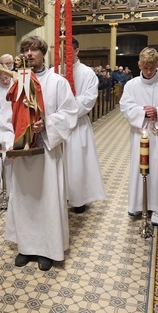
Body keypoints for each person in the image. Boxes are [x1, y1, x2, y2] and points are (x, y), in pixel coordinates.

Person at [0, 36, 78, 271]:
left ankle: (48, 250)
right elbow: (5, 117)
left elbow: (69, 113)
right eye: (25, 50)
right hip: (23, 152)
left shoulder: (57, 82)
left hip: (46, 150)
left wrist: (46, 123)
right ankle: (26, 247)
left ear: (43, 53)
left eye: (34, 49)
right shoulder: (16, 82)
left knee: (47, 199)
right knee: (24, 199)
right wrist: (12, 141)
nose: (29, 53)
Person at [120, 47, 158, 225]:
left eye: (152, 68)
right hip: (141, 134)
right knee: (141, 168)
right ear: (139, 64)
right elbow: (125, 107)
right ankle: (138, 204)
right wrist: (142, 113)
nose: (148, 71)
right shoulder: (131, 85)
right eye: (145, 67)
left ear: (157, 65)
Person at [64, 37, 106, 213]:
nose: (65, 55)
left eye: (68, 51)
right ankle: (62, 195)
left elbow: (89, 99)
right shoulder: (55, 71)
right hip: (57, 125)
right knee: (61, 163)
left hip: (77, 124)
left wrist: (65, 107)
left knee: (77, 163)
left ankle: (79, 199)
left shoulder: (87, 72)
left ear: (76, 51)